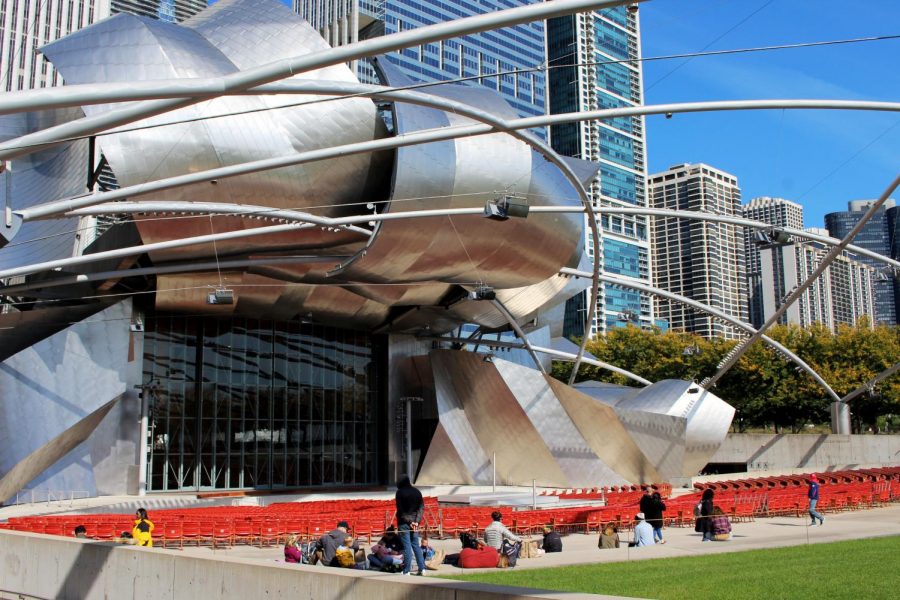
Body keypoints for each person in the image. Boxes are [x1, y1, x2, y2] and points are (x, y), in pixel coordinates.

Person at [395, 474, 426, 576]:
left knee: (407, 546)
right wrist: (416, 522)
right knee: (415, 545)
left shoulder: (400, 492)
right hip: (414, 523)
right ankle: (422, 569)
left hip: (404, 523)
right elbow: (421, 509)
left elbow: (401, 510)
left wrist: (411, 522)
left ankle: (406, 570)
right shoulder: (417, 492)